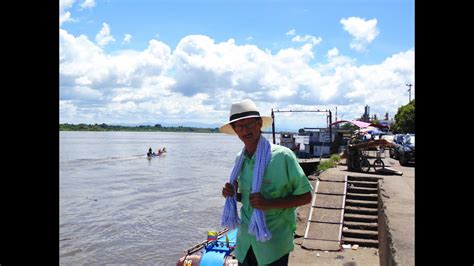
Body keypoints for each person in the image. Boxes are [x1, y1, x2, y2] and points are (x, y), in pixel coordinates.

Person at [220, 99, 313, 266]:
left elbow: (306, 197)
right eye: (239, 126)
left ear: (259, 124)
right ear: (235, 130)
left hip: (273, 243)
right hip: (245, 242)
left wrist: (269, 204)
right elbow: (250, 200)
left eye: (249, 124)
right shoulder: (240, 159)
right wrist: (233, 195)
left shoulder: (283, 156)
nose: (245, 130)